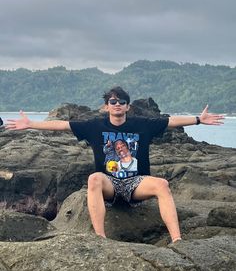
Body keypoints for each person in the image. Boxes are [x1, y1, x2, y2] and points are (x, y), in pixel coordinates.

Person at [5, 86, 224, 243]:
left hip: (136, 184)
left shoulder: (142, 124)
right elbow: (63, 125)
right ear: (106, 106)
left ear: (128, 106)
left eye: (121, 102)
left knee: (162, 184)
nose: (117, 105)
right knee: (93, 178)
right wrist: (31, 124)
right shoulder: (94, 126)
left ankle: (177, 239)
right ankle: (101, 238)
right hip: (109, 184)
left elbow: (170, 122)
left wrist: (198, 119)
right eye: (113, 101)